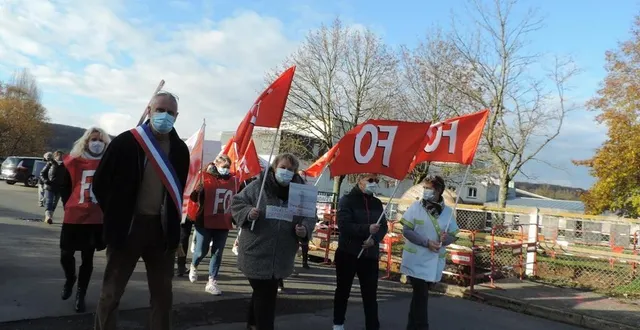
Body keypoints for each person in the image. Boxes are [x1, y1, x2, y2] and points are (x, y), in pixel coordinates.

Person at [92, 91, 190, 330]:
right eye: (160, 110)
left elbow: (177, 192)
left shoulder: (180, 150)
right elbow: (100, 184)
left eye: (170, 112)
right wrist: (116, 214)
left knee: (163, 297)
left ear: (177, 116)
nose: (164, 116)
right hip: (128, 228)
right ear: (149, 111)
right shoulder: (126, 142)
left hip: (161, 231)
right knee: (111, 293)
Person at [231, 153, 315, 330]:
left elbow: (310, 216)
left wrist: (305, 228)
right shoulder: (258, 187)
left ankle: (252, 324)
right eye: (283, 168)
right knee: (266, 294)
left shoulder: (302, 192)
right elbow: (237, 202)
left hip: (282, 254)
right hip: (256, 251)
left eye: (291, 170)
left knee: (262, 293)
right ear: (274, 168)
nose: (286, 172)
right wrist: (247, 212)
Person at [59, 127, 111, 313]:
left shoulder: (108, 164)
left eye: (101, 140)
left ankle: (81, 293)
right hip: (74, 215)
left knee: (87, 258)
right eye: (93, 139)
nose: (97, 143)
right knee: (66, 253)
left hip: (95, 218)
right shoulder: (74, 162)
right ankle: (70, 278)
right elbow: (64, 186)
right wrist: (69, 205)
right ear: (86, 141)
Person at [400, 175, 459, 330]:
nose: (425, 191)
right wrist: (426, 242)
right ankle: (422, 327)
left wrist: (446, 239)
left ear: (439, 190)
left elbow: (453, 235)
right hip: (415, 260)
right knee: (421, 295)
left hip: (433, 263)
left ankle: (412, 326)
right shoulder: (415, 207)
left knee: (419, 297)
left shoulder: (447, 212)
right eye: (424, 188)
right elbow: (406, 231)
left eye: (429, 188)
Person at [333, 173, 388, 330]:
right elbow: (344, 225)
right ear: (360, 180)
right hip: (348, 252)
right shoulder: (347, 200)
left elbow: (383, 226)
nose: (374, 183)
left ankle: (372, 326)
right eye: (370, 180)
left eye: (376, 180)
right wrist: (366, 229)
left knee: (370, 295)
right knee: (343, 290)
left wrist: (374, 239)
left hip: (370, 255)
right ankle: (338, 323)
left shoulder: (377, 203)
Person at [186, 155, 237, 295]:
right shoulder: (204, 177)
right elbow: (193, 197)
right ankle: (194, 265)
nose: (225, 170)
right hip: (204, 220)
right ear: (216, 164)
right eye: (223, 166)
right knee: (201, 251)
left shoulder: (233, 181)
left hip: (223, 221)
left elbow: (236, 199)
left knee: (218, 252)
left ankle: (212, 280)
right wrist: (198, 190)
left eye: (228, 167)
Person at [41, 150, 65, 224]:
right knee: (49, 201)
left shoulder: (65, 165)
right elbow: (42, 173)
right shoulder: (50, 163)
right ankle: (48, 217)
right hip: (49, 186)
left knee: (54, 203)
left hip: (59, 187)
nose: (60, 157)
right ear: (55, 156)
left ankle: (49, 216)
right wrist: (46, 181)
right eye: (58, 155)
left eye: (61, 155)